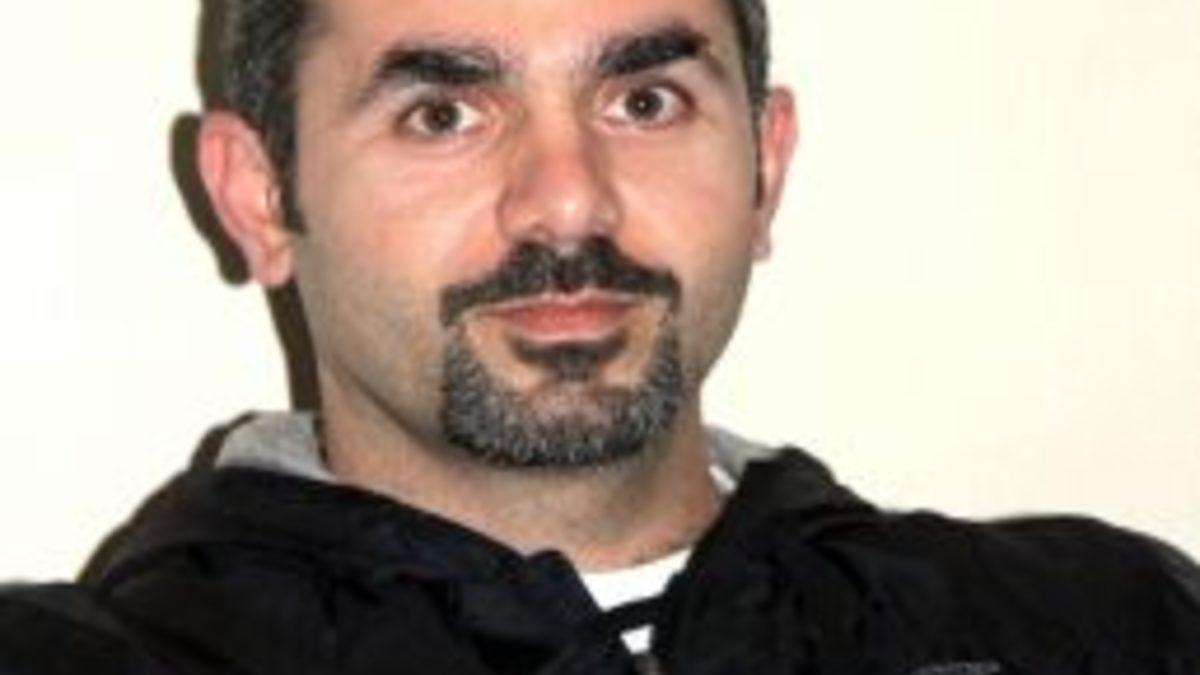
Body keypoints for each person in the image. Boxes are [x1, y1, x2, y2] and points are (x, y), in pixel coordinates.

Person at [2, 0, 1198, 672]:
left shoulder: (1112, 629)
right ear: (261, 198)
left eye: (644, 101)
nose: (569, 201)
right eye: (444, 113)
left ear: (765, 168)